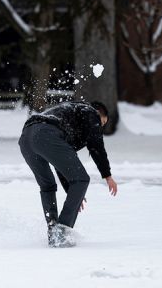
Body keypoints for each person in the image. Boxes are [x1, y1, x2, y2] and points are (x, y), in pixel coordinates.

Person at [18, 101, 118, 248]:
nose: (99, 128)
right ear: (99, 114)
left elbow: (62, 164)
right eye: (102, 123)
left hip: (26, 138)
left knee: (47, 186)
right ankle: (61, 233)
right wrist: (107, 176)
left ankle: (53, 231)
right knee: (82, 179)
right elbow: (96, 146)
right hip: (45, 134)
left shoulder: (70, 114)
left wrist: (73, 193)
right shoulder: (90, 112)